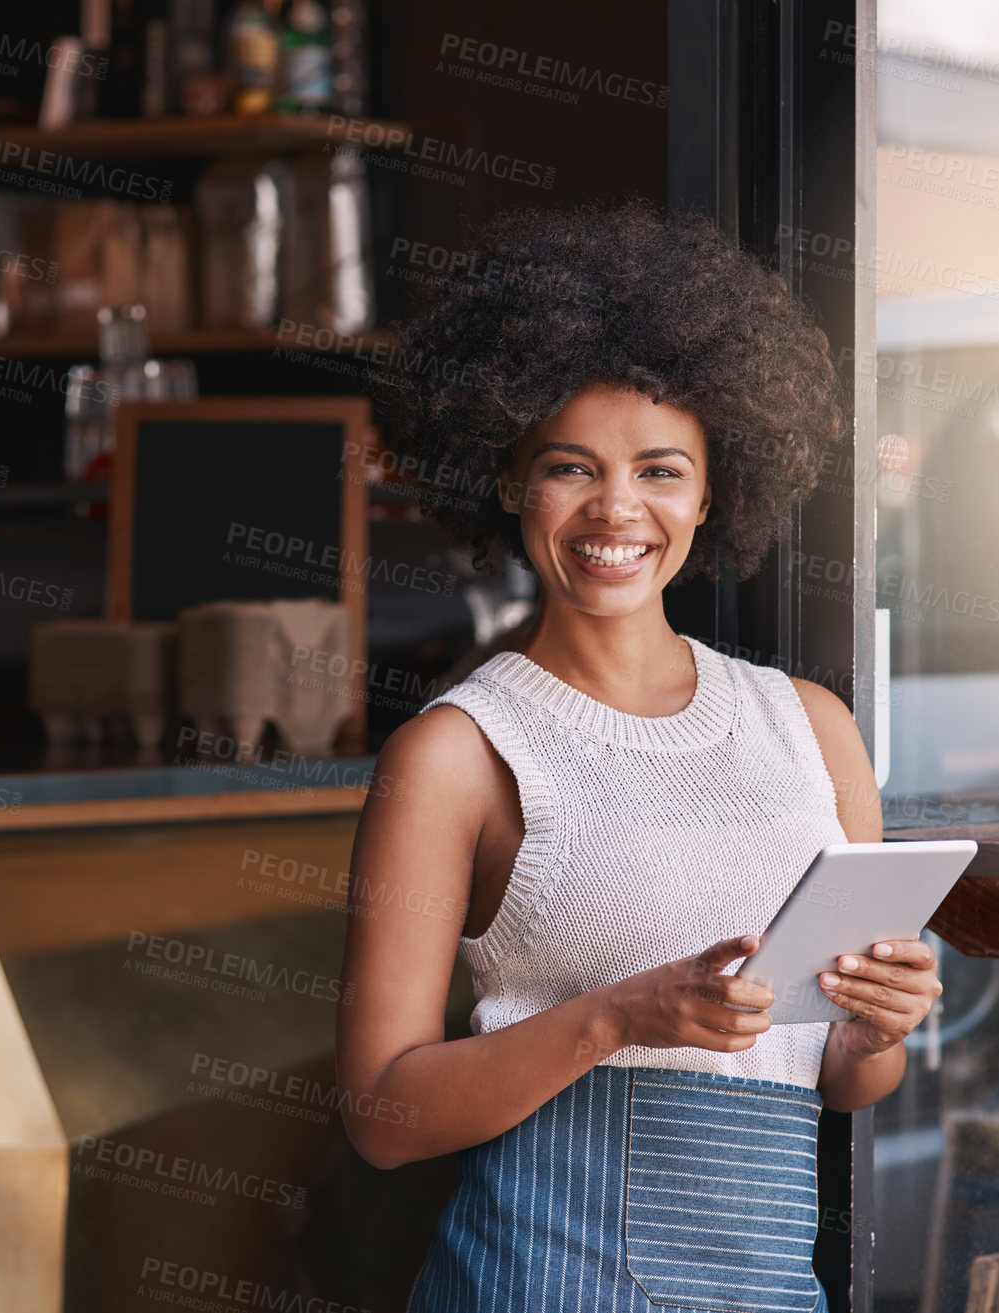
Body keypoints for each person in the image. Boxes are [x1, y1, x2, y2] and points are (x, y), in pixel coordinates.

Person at [335, 198, 944, 1313]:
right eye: (570, 466)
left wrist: (874, 1023)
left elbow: (853, 1081)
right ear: (512, 482)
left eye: (661, 470)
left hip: (763, 1286)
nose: (616, 508)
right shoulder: (457, 754)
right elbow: (380, 1115)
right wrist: (615, 1017)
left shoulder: (814, 726)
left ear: (711, 493)